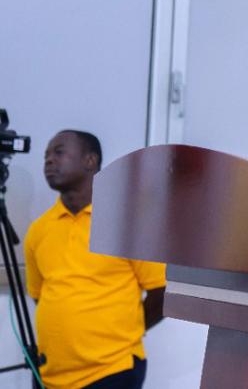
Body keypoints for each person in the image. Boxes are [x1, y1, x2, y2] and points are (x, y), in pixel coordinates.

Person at [24, 130, 166, 389]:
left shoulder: (127, 223)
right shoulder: (38, 230)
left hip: (112, 370)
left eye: (58, 152)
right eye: (45, 155)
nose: (48, 161)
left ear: (90, 161)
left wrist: (126, 332)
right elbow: (40, 296)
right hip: (49, 375)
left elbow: (162, 293)